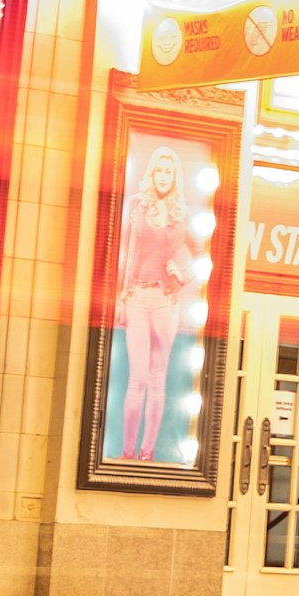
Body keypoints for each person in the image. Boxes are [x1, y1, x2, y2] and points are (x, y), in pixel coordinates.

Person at [112, 146, 188, 462]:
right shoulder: (136, 206)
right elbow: (124, 252)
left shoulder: (179, 213)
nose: (163, 177)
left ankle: (147, 453)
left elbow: (203, 257)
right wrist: (119, 295)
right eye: (159, 170)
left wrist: (181, 275)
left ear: (175, 177)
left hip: (165, 300)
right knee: (138, 378)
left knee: (158, 379)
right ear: (152, 173)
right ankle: (128, 452)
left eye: (169, 171)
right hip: (137, 297)